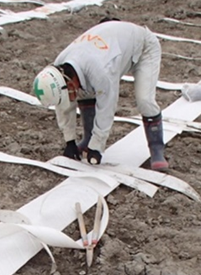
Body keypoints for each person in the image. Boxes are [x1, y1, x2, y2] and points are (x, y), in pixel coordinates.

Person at [32, 19, 169, 171]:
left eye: (69, 93)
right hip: (112, 44)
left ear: (69, 83)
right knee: (84, 90)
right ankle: (87, 138)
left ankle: (156, 150)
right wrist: (69, 140)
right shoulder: (59, 67)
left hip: (143, 47)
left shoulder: (102, 71)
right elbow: (62, 103)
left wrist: (97, 147)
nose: (71, 99)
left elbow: (107, 107)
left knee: (145, 100)